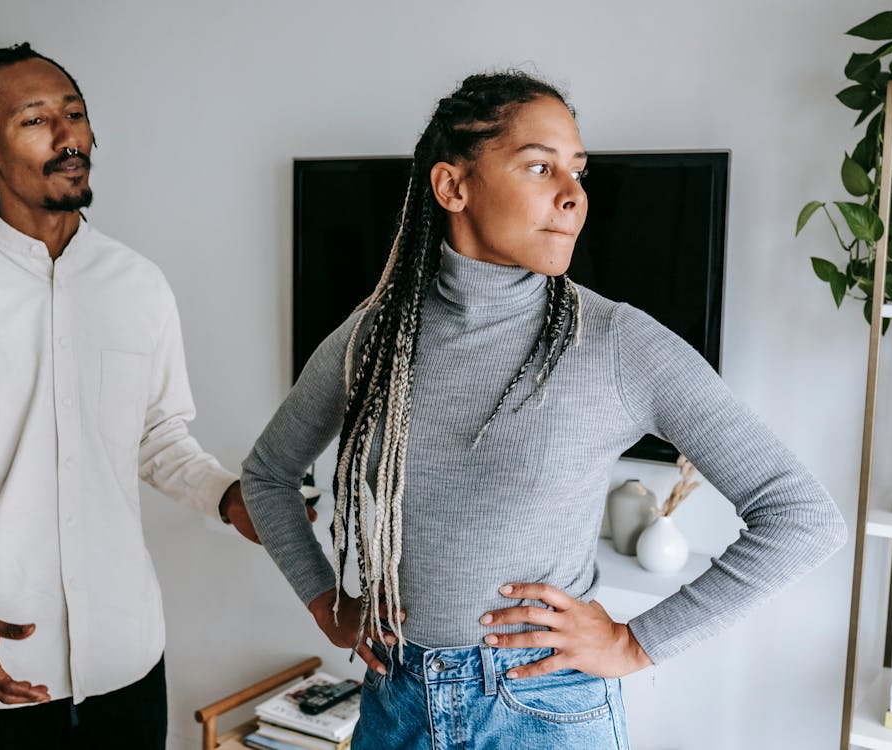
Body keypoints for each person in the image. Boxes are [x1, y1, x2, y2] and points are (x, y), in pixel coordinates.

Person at [240, 71, 847, 749]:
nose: (572, 197)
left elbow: (801, 516)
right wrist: (327, 604)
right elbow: (267, 475)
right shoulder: (371, 338)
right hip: (396, 702)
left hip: (543, 710)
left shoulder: (619, 342)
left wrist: (634, 644)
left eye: (577, 172)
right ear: (452, 187)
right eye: (539, 167)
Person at [0, 43, 265, 749]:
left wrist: (228, 496)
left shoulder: (139, 287)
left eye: (76, 114)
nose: (70, 136)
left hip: (127, 668)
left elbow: (158, 437)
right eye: (36, 120)